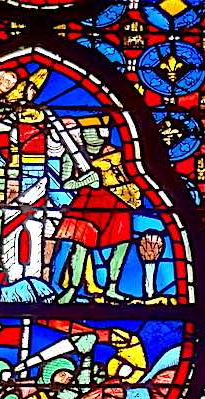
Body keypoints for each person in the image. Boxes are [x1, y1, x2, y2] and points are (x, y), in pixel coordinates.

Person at [49, 115, 142, 303]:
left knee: (122, 243)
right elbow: (67, 184)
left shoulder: (115, 154)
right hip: (86, 203)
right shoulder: (72, 156)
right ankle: (72, 289)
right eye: (92, 131)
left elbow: (125, 177)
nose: (97, 136)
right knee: (80, 247)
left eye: (101, 131)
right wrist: (86, 180)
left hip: (114, 202)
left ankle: (112, 287)